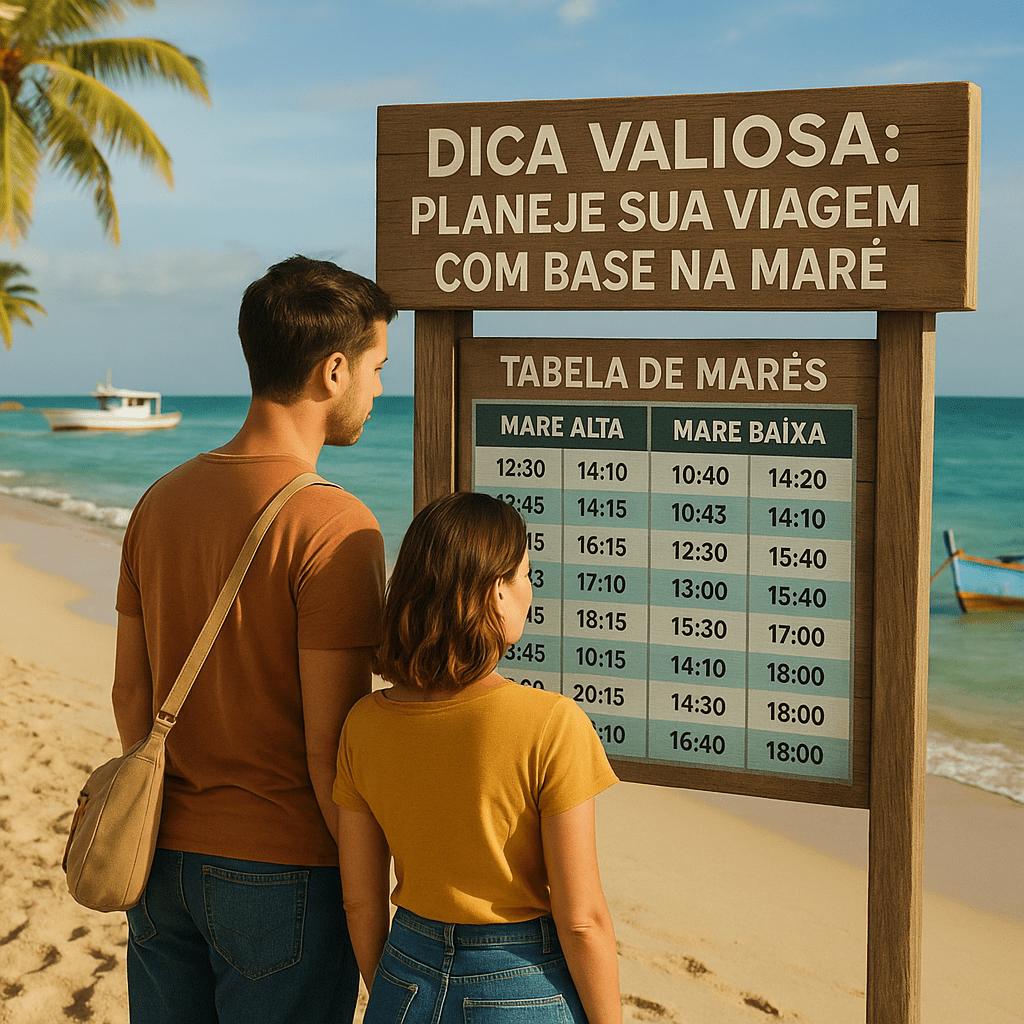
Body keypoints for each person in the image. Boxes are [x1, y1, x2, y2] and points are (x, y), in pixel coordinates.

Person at [112, 255, 397, 1024]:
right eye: (377, 367)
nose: (379, 390)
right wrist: (371, 892)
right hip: (285, 873)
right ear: (333, 371)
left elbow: (131, 695)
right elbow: (328, 747)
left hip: (159, 864)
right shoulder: (335, 526)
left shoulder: (157, 503)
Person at [333, 491, 622, 1024]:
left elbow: (361, 901)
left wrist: (394, 988)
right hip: (519, 979)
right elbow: (582, 920)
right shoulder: (551, 723)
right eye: (525, 576)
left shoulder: (364, 723)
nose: (530, 592)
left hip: (406, 969)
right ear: (496, 594)